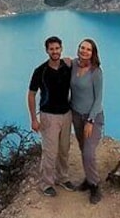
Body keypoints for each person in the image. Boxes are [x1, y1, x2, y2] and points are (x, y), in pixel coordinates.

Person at [28, 36, 75, 197]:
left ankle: (62, 177)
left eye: (57, 48)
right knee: (50, 151)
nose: (55, 51)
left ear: (61, 48)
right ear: (47, 50)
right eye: (51, 49)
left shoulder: (68, 66)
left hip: (66, 114)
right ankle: (46, 183)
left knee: (64, 149)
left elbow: (84, 64)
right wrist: (34, 119)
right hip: (49, 116)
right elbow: (31, 95)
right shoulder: (40, 71)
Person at [70, 38, 104, 204]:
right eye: (82, 48)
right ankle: (88, 179)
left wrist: (90, 120)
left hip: (92, 117)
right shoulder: (73, 65)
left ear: (93, 53)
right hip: (76, 115)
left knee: (89, 152)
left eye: (88, 49)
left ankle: (95, 185)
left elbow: (98, 100)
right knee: (83, 148)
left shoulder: (96, 72)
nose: (84, 51)